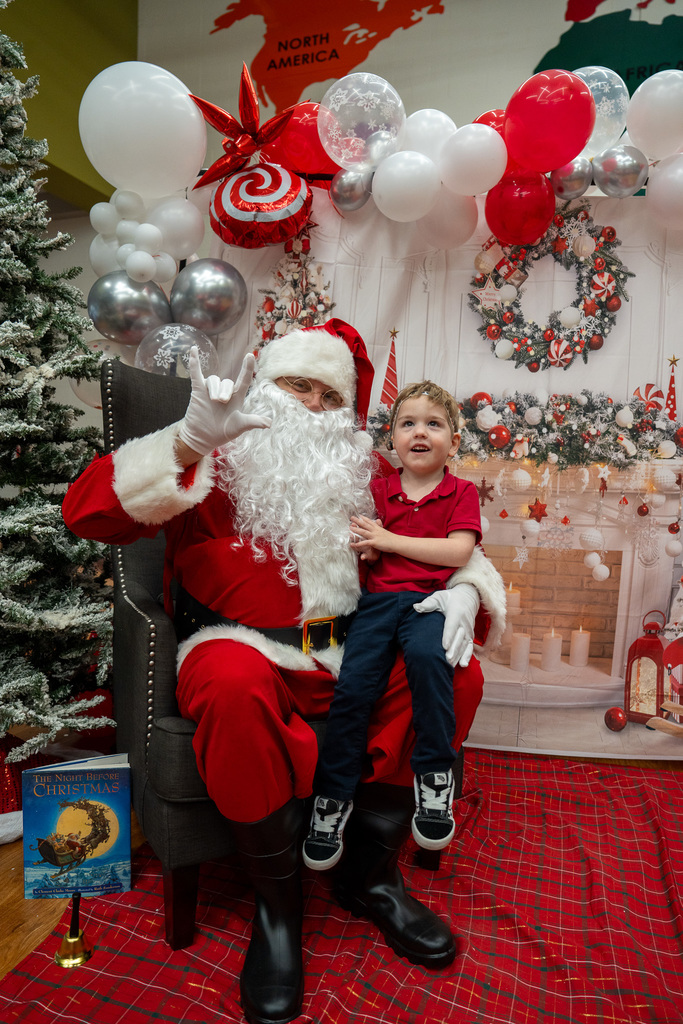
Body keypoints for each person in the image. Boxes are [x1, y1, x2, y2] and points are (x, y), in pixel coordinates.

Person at [62, 320, 505, 1024]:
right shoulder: (212, 462)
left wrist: (465, 590)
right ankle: (278, 909)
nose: (309, 405)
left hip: (352, 650)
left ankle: (370, 876)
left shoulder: (372, 477)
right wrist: (186, 440)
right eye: (295, 385)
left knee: (457, 673)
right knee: (232, 683)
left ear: (349, 416)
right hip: (242, 649)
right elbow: (84, 512)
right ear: (264, 388)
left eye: (328, 396)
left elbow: (448, 544)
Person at [303, 380, 481, 873]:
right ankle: (332, 800)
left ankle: (434, 780)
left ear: (454, 440)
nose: (419, 432)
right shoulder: (378, 491)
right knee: (355, 687)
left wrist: (389, 539)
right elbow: (364, 546)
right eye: (408, 423)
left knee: (430, 660)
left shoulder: (460, 492)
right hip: (379, 605)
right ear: (393, 439)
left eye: (433, 423)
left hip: (430, 603)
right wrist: (375, 545)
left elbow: (459, 552)